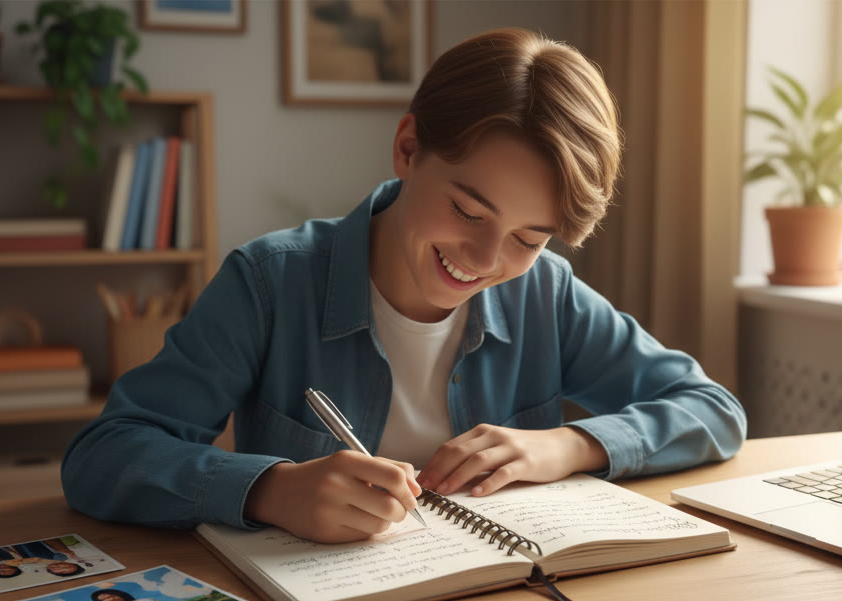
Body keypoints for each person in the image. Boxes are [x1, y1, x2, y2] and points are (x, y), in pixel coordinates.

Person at [61, 28, 746, 545]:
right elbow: (103, 454)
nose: (484, 259)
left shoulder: (546, 295)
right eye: (468, 212)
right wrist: (270, 490)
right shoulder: (270, 283)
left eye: (528, 239)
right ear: (408, 148)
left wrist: (568, 446)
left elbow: (712, 409)